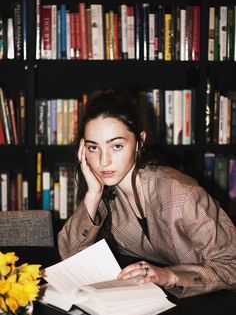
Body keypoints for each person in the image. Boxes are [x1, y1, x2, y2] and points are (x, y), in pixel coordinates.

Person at [58, 87, 236, 298]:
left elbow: (231, 267)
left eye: (116, 146)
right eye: (93, 148)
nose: (103, 161)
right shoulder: (106, 193)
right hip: (154, 302)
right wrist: (93, 195)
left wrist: (169, 275)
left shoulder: (183, 195)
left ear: (139, 142)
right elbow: (69, 258)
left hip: (212, 302)